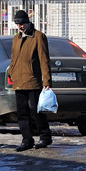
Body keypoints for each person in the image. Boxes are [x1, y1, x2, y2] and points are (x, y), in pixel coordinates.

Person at [8, 9, 53, 151]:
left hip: (33, 81)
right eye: (17, 24)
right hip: (18, 81)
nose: (20, 27)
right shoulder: (16, 38)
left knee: (36, 110)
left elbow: (44, 60)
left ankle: (45, 137)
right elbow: (14, 58)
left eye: (22, 24)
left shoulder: (38, 37)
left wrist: (47, 82)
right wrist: (11, 72)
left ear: (28, 22)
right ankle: (26, 140)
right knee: (22, 113)